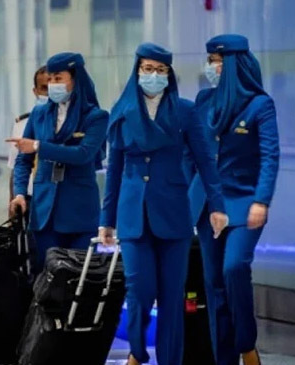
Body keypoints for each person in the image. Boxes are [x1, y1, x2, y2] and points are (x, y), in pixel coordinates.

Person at [97, 43, 228, 365]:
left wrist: (218, 205)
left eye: (160, 70)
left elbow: (205, 161)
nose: (153, 76)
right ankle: (138, 353)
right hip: (133, 216)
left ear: (168, 74)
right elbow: (113, 169)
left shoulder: (184, 111)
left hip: (173, 214)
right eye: (147, 69)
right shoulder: (123, 110)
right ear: (137, 70)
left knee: (172, 299)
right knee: (139, 293)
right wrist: (106, 220)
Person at [189, 34, 280, 365]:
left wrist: (262, 200)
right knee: (213, 285)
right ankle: (223, 358)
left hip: (245, 203)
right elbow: (193, 152)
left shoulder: (260, 105)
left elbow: (270, 156)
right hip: (208, 204)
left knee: (234, 267)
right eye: (209, 60)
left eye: (215, 61)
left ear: (232, 64)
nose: (209, 67)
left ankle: (246, 344)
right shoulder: (203, 100)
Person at [7, 52, 108, 273]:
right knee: (44, 280)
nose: (53, 85)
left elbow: (83, 154)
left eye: (58, 78)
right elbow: (23, 161)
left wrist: (39, 147)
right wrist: (20, 194)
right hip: (45, 213)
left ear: (75, 79)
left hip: (79, 213)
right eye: (50, 79)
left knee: (80, 282)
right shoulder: (39, 114)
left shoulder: (95, 117)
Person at [8, 65, 49, 199]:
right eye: (44, 88)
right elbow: (15, 166)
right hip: (28, 196)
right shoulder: (21, 124)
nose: (48, 93)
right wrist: (13, 200)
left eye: (52, 88)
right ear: (35, 91)